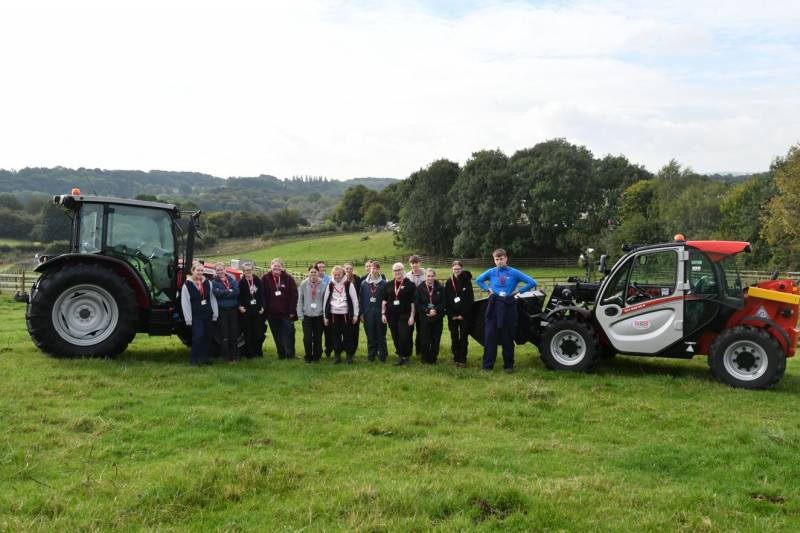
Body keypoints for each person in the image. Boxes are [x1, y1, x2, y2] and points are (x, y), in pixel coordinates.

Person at [475, 248, 537, 373]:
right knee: (490, 336)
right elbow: (478, 280)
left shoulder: (514, 272)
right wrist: (488, 289)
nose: (499, 262)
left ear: (506, 258)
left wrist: (519, 291)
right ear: (494, 260)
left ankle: (509, 366)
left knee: (507, 337)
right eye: (496, 259)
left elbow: (532, 282)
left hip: (509, 305)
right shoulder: (491, 272)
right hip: (494, 305)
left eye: (501, 259)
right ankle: (487, 366)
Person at [181, 262, 218, 366]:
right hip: (196, 316)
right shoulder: (187, 285)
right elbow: (185, 302)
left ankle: (205, 358)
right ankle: (194, 359)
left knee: (207, 336)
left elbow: (212, 298)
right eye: (198, 270)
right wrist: (188, 319)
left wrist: (215, 314)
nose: (200, 272)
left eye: (202, 270)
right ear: (192, 271)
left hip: (207, 314)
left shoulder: (208, 283)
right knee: (198, 336)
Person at [262, 258, 299, 359]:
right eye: (274, 266)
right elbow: (263, 295)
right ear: (271, 266)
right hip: (272, 314)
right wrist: (266, 310)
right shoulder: (265, 278)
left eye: (279, 266)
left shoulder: (288, 278)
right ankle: (281, 354)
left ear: (282, 267)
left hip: (286, 313)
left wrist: (292, 310)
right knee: (277, 334)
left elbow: (294, 295)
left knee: (290, 332)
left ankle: (290, 354)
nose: (276, 268)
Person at [322, 265, 360, 364]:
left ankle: (349, 356)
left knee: (348, 336)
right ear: (332, 275)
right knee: (335, 336)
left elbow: (355, 300)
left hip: (346, 315)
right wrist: (325, 316)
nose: (337, 276)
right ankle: (337, 355)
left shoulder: (348, 284)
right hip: (334, 315)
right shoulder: (330, 284)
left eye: (339, 274)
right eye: (335, 275)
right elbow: (325, 300)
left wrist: (355, 315)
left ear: (343, 274)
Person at [382, 262, 416, 366]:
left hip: (405, 315)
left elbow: (413, 302)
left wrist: (412, 316)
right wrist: (383, 313)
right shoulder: (389, 284)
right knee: (395, 336)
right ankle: (401, 356)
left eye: (399, 269)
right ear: (393, 272)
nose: (397, 272)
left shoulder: (410, 284)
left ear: (403, 270)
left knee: (404, 336)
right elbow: (384, 301)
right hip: (392, 315)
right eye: (395, 270)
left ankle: (406, 356)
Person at [444, 260, 474, 368]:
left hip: (464, 315)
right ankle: (456, 357)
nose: (456, 271)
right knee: (454, 336)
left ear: (461, 269)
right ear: (452, 269)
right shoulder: (448, 282)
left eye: (458, 269)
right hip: (452, 315)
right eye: (455, 269)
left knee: (464, 337)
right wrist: (451, 314)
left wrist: (463, 314)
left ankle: (462, 359)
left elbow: (470, 299)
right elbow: (446, 300)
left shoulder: (467, 281)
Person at [360, 260, 388, 362]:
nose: (374, 270)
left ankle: (383, 355)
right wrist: (361, 313)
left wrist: (385, 313)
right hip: (368, 313)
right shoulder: (364, 283)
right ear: (370, 269)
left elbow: (387, 300)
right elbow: (361, 299)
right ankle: (371, 355)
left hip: (380, 312)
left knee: (381, 334)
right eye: (372, 268)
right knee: (370, 334)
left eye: (376, 268)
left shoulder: (384, 283)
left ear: (379, 270)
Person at [415, 268, 445, 364]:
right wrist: (427, 310)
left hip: (437, 318)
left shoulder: (440, 288)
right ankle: (425, 358)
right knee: (425, 339)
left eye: (432, 276)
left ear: (435, 276)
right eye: (428, 276)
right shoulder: (420, 288)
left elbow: (444, 302)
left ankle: (433, 358)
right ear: (425, 276)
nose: (430, 278)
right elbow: (417, 303)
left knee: (436, 339)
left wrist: (435, 310)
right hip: (425, 318)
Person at [212, 262, 240, 363]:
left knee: (234, 333)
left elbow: (236, 292)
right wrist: (229, 291)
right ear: (215, 271)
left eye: (221, 269)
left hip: (233, 310)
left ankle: (235, 357)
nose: (220, 271)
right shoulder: (214, 282)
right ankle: (226, 357)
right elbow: (216, 293)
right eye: (218, 270)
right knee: (224, 334)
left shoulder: (232, 280)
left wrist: (223, 292)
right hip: (222, 310)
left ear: (225, 270)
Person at [297, 265, 325, 362]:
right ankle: (308, 356)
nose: (313, 274)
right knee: (307, 338)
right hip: (307, 316)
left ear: (318, 273)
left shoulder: (323, 284)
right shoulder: (304, 284)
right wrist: (300, 313)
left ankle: (317, 356)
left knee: (318, 338)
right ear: (308, 273)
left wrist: (325, 315)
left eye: (315, 272)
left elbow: (325, 301)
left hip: (319, 316)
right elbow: (300, 299)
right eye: (311, 272)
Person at [237, 261, 265, 358]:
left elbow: (262, 295)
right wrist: (240, 306)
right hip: (247, 312)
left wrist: (263, 307)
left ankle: (258, 351)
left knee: (259, 333)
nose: (248, 272)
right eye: (246, 270)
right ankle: (249, 353)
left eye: (250, 270)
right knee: (248, 333)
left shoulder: (257, 280)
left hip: (257, 311)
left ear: (252, 270)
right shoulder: (241, 282)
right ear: (243, 272)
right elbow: (239, 296)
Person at [406, 254, 425, 357]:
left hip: (422, 306)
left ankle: (419, 351)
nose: (414, 265)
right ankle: (408, 351)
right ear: (410, 264)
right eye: (412, 263)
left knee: (421, 330)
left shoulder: (426, 274)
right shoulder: (407, 275)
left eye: (416, 263)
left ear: (420, 263)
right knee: (409, 330)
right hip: (410, 307)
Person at [314, 260, 333, 358]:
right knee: (317, 332)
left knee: (328, 332)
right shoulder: (313, 279)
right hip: (316, 310)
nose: (321, 269)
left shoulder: (330, 279)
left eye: (322, 267)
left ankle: (328, 350)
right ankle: (318, 351)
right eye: (319, 267)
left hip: (327, 309)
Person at [344, 261, 362, 351]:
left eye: (350, 269)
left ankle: (354, 347)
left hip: (355, 307)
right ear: (344, 269)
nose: (349, 270)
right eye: (347, 268)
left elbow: (360, 294)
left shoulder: (357, 279)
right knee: (346, 329)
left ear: (353, 269)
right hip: (344, 308)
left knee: (355, 329)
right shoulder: (341, 278)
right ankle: (346, 347)